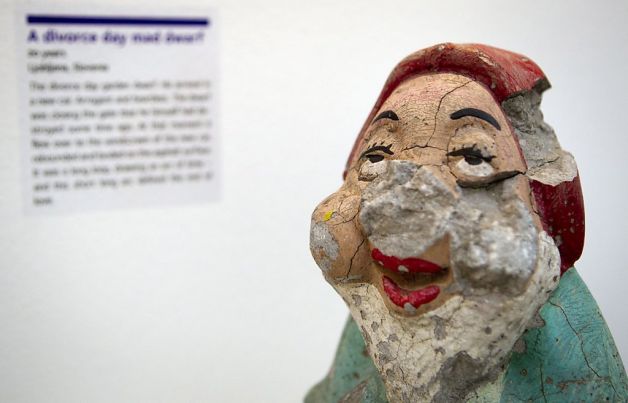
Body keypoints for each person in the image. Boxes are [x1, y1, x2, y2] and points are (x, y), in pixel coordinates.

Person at [308, 43, 627, 402]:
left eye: (472, 157)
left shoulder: (567, 343)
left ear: (541, 200)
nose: (399, 207)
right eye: (377, 157)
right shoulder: (371, 320)